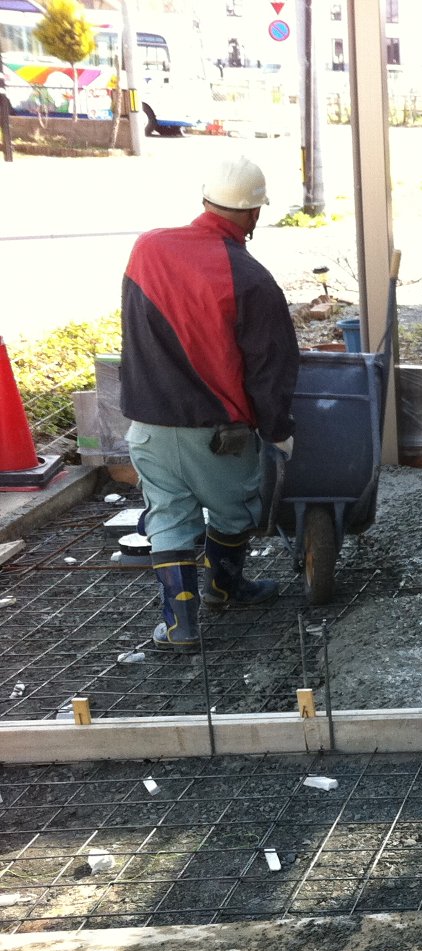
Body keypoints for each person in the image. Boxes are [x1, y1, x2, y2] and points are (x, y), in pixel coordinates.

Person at [120, 155, 298, 652]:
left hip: (150, 424)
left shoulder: (147, 249)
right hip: (219, 434)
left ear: (205, 199)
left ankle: (180, 625)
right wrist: (278, 429)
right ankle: (224, 586)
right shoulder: (251, 278)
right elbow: (270, 367)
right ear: (255, 213)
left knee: (168, 516)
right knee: (232, 511)